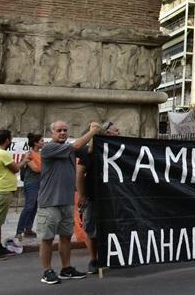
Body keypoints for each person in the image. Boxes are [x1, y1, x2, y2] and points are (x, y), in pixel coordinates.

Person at [38, 121, 101, 285]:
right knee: (47, 238)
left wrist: (100, 135)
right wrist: (92, 131)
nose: (62, 133)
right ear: (52, 133)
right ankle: (47, 271)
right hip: (50, 202)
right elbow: (77, 145)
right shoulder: (49, 148)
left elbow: (90, 150)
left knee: (65, 237)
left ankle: (66, 268)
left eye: (65, 130)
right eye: (59, 130)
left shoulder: (71, 148)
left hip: (66, 202)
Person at [76, 122, 119, 275]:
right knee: (92, 229)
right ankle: (94, 259)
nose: (118, 133)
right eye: (115, 131)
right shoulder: (89, 153)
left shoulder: (118, 152)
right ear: (106, 134)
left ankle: (107, 256)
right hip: (93, 197)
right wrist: (82, 195)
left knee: (110, 228)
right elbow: (80, 174)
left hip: (111, 197)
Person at [0, 129, 29, 260]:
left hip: (1, 190)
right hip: (1, 191)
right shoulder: (2, 153)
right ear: (7, 141)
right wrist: (25, 160)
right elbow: (15, 168)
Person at [16, 133, 43, 239]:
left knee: (35, 206)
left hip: (39, 182)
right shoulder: (28, 154)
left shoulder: (41, 154)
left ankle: (28, 228)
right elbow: (36, 169)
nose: (43, 143)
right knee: (29, 206)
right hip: (31, 182)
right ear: (36, 143)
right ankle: (19, 230)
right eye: (41, 141)